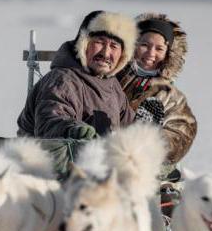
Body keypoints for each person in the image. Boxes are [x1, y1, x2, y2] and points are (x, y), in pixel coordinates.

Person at [116, 12, 197, 215]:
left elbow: (182, 133)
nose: (151, 53)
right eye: (144, 44)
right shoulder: (110, 80)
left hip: (149, 166)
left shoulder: (171, 95)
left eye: (159, 48)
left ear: (169, 54)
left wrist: (153, 141)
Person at [16, 10, 138, 141]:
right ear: (83, 43)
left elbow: (129, 128)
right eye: (100, 42)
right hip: (51, 157)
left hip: (97, 157)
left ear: (123, 55)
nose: (106, 53)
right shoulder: (64, 80)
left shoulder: (113, 86)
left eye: (114, 46)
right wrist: (73, 130)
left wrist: (144, 129)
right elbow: (50, 121)